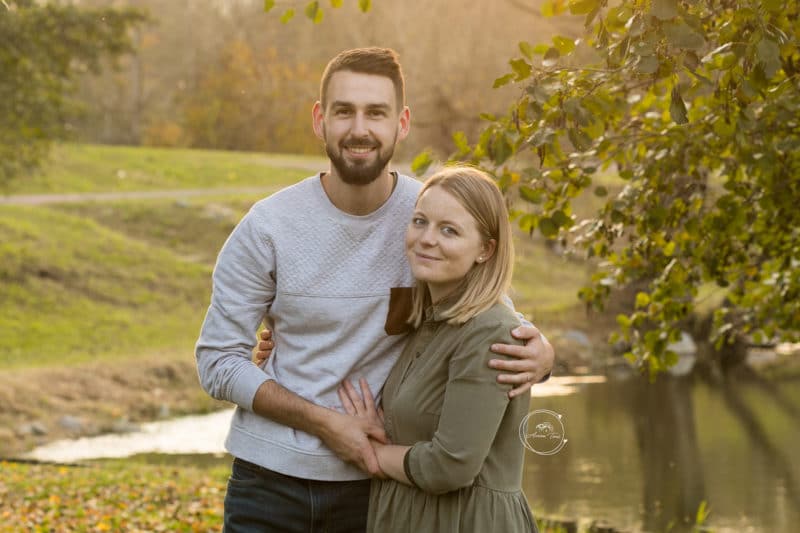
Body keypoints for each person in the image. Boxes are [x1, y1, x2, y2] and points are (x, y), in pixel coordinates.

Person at [195, 47, 553, 533]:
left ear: (401, 123)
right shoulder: (268, 227)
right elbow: (218, 361)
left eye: (376, 113)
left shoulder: (427, 216)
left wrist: (542, 353)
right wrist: (325, 423)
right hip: (268, 482)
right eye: (344, 111)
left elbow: (488, 310)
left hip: (378, 491)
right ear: (320, 120)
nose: (359, 128)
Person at [338, 166, 537, 532]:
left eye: (449, 230)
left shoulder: (491, 331)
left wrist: (373, 453)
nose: (426, 239)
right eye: (420, 222)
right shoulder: (428, 320)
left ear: (485, 249)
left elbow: (451, 465)